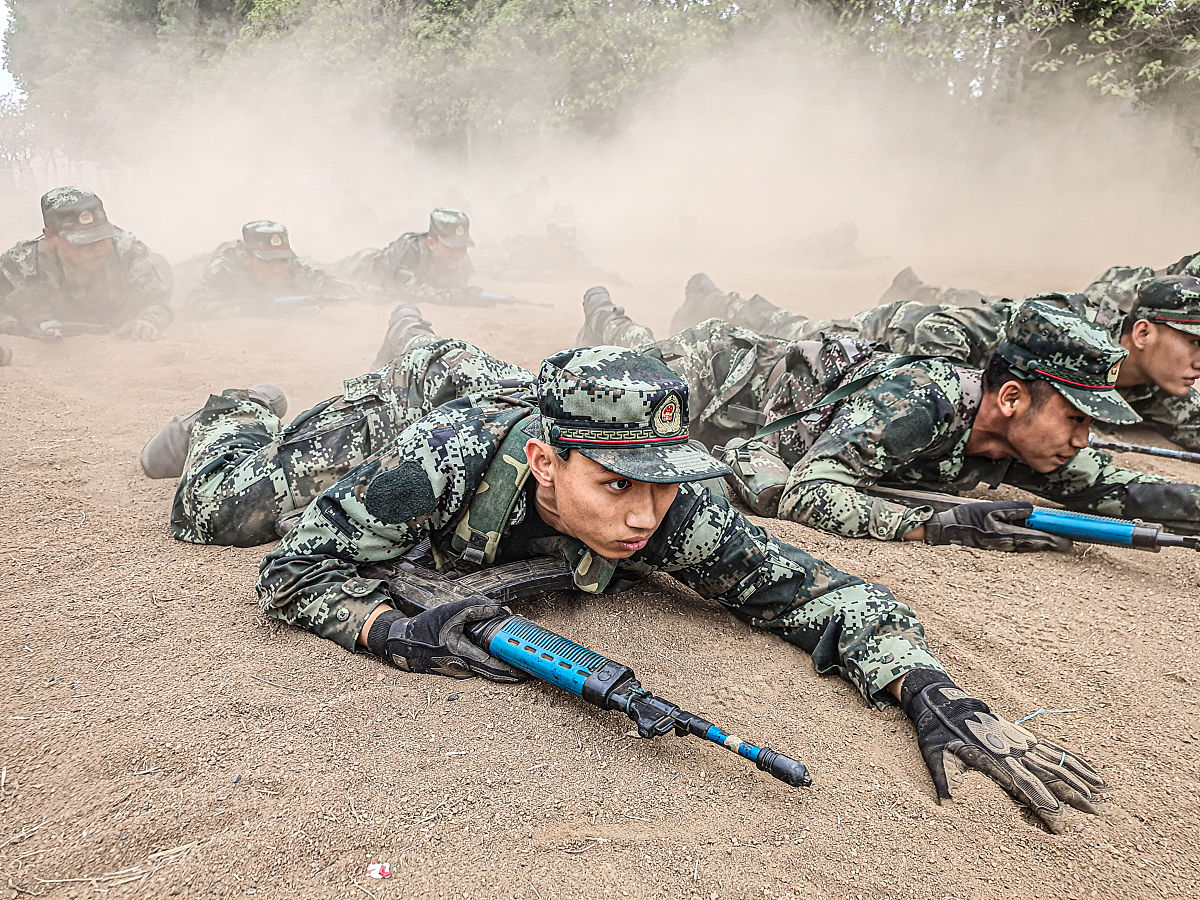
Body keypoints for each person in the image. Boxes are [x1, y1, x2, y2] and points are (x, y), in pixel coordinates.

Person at [579, 290, 1200, 545]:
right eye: (1075, 419)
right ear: (1011, 399)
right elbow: (808, 493)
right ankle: (601, 309)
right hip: (724, 374)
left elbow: (1124, 491)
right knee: (625, 367)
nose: (1083, 440)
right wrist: (928, 526)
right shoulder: (919, 401)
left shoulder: (1029, 439)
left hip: (758, 423)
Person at [661, 272, 1200, 451]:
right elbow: (937, 334)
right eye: (1194, 344)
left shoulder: (1159, 385)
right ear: (1145, 332)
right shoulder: (1066, 328)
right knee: (789, 334)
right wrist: (922, 391)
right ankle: (715, 297)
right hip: (889, 336)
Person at [140, 308, 533, 547]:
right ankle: (240, 412)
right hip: (410, 408)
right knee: (213, 509)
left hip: (476, 386)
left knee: (442, 365)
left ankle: (412, 335)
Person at [0, 186, 173, 341]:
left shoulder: (127, 250)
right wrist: (19, 325)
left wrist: (149, 320)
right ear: (51, 236)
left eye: (101, 238)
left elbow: (161, 298)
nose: (97, 249)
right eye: (83, 243)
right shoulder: (19, 264)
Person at [184, 221, 356, 318]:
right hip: (193, 271)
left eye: (282, 260)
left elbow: (337, 286)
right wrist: (253, 309)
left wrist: (327, 300)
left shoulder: (293, 265)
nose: (277, 268)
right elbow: (194, 304)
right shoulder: (225, 268)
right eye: (267, 262)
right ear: (246, 258)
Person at [336, 208, 476, 302]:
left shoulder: (459, 256)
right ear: (431, 243)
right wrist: (446, 296)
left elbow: (458, 284)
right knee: (327, 274)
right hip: (361, 267)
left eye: (462, 247)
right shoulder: (411, 250)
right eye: (451, 248)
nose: (458, 254)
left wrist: (466, 294)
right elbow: (404, 289)